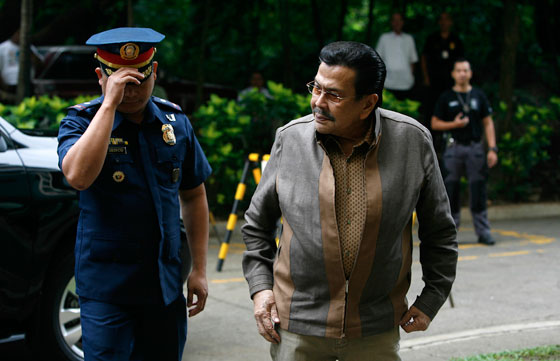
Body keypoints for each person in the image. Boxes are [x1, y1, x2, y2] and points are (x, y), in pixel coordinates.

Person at [242, 41, 458, 361]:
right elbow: (256, 226)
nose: (318, 102)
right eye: (316, 88)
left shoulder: (413, 142)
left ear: (368, 103)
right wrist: (261, 290)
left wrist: (431, 300)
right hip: (297, 327)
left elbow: (439, 231)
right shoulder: (290, 140)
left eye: (334, 95)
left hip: (375, 329)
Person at [57, 27, 212, 360]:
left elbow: (194, 195)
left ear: (153, 71)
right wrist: (109, 106)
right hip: (107, 289)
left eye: (139, 79)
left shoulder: (176, 122)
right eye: (121, 82)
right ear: (101, 76)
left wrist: (199, 269)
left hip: (164, 285)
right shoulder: (80, 122)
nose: (132, 91)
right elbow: (78, 177)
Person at [431, 58, 498, 246]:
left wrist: (492, 148)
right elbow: (435, 123)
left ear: (470, 73)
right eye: (458, 70)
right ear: (453, 74)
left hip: (475, 148)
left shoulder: (479, 96)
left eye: (465, 70)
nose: (462, 74)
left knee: (478, 188)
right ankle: (449, 234)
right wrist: (455, 124)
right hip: (453, 148)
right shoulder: (446, 97)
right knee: (450, 190)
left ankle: (483, 231)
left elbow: (488, 122)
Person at [421, 12, 464, 151]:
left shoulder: (456, 40)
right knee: (432, 110)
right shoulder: (432, 39)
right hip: (433, 83)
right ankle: (430, 140)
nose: (444, 22)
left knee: (450, 109)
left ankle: (448, 140)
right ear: (439, 22)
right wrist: (426, 77)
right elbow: (424, 58)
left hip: (450, 84)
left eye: (447, 20)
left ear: (451, 22)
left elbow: (461, 62)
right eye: (442, 19)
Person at [375, 12, 418, 100]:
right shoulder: (384, 38)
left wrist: (411, 76)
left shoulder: (409, 39)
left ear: (403, 22)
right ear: (391, 22)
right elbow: (377, 60)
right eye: (394, 20)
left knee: (404, 111)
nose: (397, 22)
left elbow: (412, 60)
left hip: (406, 83)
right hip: (387, 83)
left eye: (399, 20)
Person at [0, 29, 43, 102]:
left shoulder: (30, 47)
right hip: (10, 86)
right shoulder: (2, 47)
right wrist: (3, 86)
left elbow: (40, 65)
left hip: (28, 84)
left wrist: (29, 51)